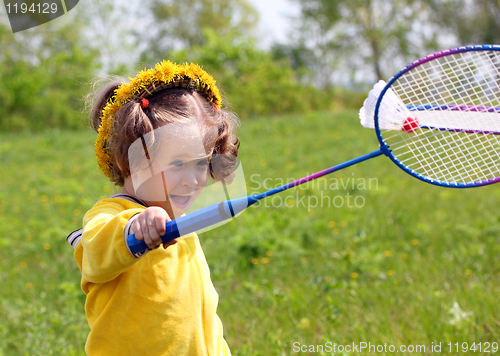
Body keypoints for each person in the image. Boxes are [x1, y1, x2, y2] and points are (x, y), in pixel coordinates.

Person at [66, 61, 240, 355]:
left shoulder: (181, 222)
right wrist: (135, 228)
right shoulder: (110, 216)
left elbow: (204, 317)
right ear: (132, 160)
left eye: (201, 163)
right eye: (177, 164)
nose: (194, 179)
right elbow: (95, 251)